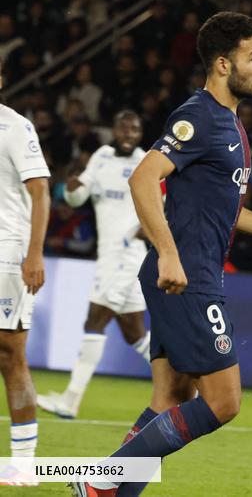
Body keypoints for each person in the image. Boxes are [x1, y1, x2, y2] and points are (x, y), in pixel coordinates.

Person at [71, 13, 252, 497]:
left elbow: (218, 202)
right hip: (188, 276)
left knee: (170, 398)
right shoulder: (198, 115)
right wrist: (168, 254)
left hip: (186, 272)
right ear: (223, 64)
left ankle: (110, 491)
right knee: (223, 403)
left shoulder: (230, 123)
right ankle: (100, 483)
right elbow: (142, 178)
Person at [38, 111, 152, 419]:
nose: (128, 132)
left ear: (140, 134)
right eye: (124, 126)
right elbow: (78, 197)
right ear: (114, 129)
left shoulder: (146, 161)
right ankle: (189, 385)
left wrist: (152, 227)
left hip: (126, 254)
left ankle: (70, 400)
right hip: (108, 255)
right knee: (135, 333)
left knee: (95, 321)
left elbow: (161, 205)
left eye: (135, 128)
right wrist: (72, 189)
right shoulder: (101, 157)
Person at [0, 59, 51, 487]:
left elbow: (40, 191)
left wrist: (34, 254)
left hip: (8, 252)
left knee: (9, 353)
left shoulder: (15, 127)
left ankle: (24, 464)